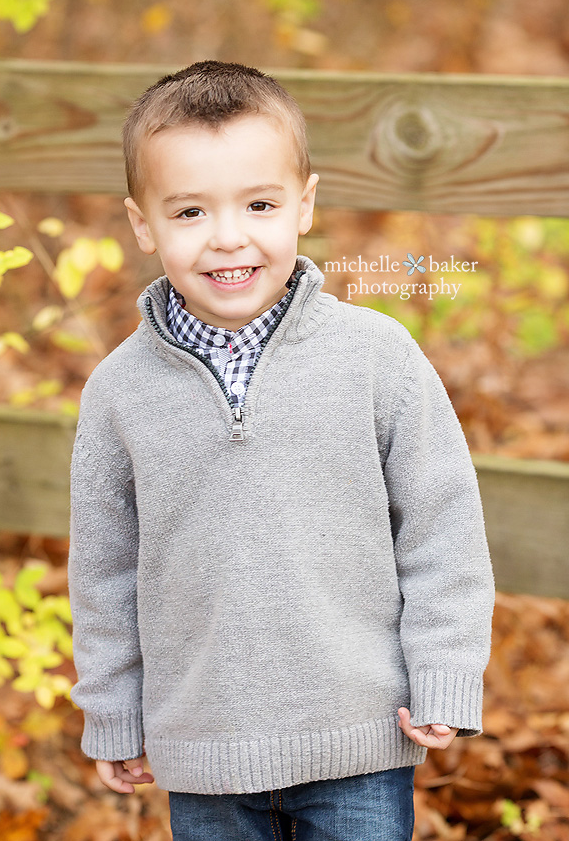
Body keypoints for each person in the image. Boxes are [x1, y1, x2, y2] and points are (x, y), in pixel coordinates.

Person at [68, 60, 496, 841]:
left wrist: (444, 675)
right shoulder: (118, 393)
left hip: (361, 741)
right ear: (141, 224)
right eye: (190, 211)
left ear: (304, 204)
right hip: (204, 753)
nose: (228, 237)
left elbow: (442, 528)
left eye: (259, 204)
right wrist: (113, 710)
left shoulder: (376, 357)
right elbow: (104, 568)